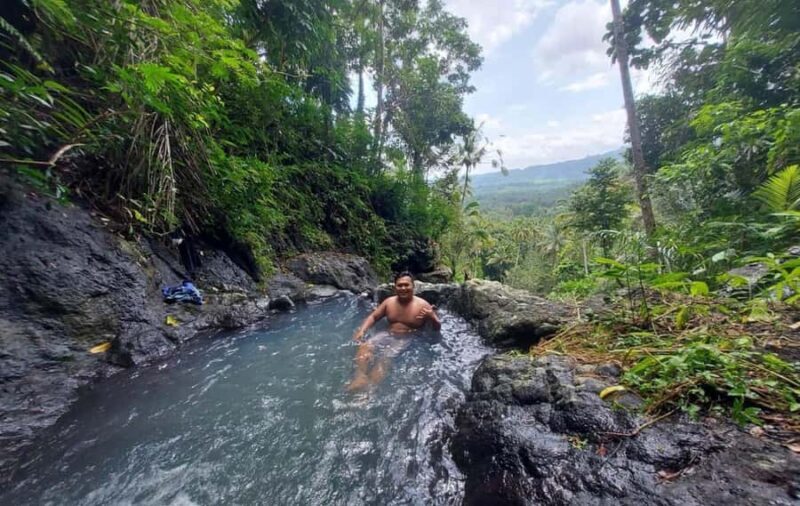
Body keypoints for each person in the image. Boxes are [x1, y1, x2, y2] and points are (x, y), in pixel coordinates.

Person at [345, 272, 441, 392]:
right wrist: (362, 330)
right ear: (395, 287)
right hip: (387, 333)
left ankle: (370, 390)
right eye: (400, 285)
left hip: (406, 336)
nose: (403, 288)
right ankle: (360, 377)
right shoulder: (389, 302)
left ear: (413, 286)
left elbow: (436, 328)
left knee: (385, 357)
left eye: (407, 285)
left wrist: (432, 316)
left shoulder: (422, 305)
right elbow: (373, 317)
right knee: (365, 346)